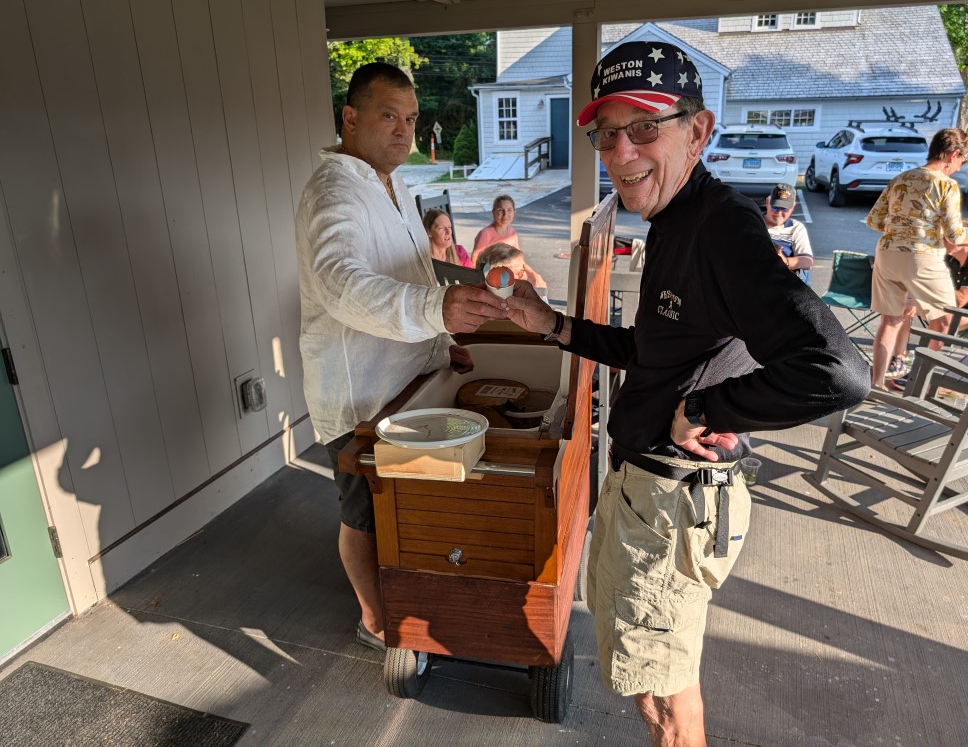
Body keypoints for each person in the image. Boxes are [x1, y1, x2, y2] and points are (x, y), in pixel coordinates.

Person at [504, 40, 870, 747]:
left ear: (698, 130)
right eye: (607, 133)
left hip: (674, 504)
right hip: (647, 490)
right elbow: (654, 352)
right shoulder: (672, 223)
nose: (620, 150)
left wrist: (708, 410)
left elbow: (837, 370)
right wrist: (550, 323)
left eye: (645, 128)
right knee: (653, 680)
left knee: (669, 706)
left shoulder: (720, 229)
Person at [294, 62, 509, 652]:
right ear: (351, 116)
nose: (403, 132)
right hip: (359, 392)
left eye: (410, 119)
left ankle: (414, 589)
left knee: (405, 506)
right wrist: (438, 313)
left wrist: (448, 333)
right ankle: (373, 617)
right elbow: (340, 282)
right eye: (389, 116)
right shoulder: (333, 192)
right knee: (363, 510)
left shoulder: (396, 185)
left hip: (408, 377)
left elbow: (414, 271)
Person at [866, 128, 968, 390]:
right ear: (954, 154)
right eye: (963, 160)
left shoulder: (902, 178)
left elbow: (874, 220)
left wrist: (903, 226)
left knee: (890, 321)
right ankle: (920, 383)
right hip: (921, 255)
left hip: (887, 253)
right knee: (945, 320)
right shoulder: (946, 184)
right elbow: (956, 236)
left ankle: (876, 385)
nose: (960, 166)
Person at [470, 195, 547, 287]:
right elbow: (475, 263)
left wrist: (535, 275)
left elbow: (519, 260)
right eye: (500, 210)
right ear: (493, 212)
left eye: (509, 210)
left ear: (514, 212)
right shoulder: (485, 234)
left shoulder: (512, 232)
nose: (505, 214)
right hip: (498, 282)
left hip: (516, 277)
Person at [764, 182, 814, 284]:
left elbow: (807, 261)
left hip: (782, 280)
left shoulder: (796, 228)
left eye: (784, 209)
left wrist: (784, 261)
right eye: (775, 207)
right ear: (767, 202)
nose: (778, 213)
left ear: (793, 207)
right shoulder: (754, 222)